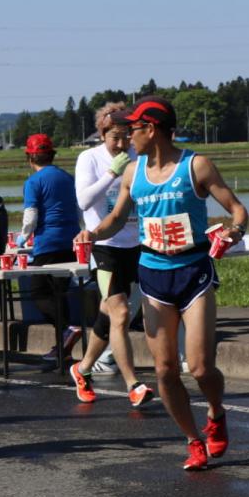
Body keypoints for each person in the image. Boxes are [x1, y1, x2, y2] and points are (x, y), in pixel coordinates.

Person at [79, 96, 247, 470]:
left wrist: (235, 231)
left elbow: (237, 210)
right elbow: (116, 219)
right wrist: (91, 235)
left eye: (132, 129)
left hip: (194, 272)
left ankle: (217, 414)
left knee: (201, 368)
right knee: (165, 370)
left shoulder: (196, 166)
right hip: (153, 276)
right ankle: (193, 441)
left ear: (150, 130)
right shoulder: (132, 173)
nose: (126, 137)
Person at [68, 104, 153, 407]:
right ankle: (134, 384)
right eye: (114, 137)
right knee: (120, 314)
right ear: (102, 133)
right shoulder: (89, 158)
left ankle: (83, 368)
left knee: (108, 315)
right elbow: (83, 199)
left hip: (136, 245)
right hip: (103, 246)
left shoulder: (137, 156)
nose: (121, 144)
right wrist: (111, 173)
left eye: (126, 137)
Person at [16, 133, 83, 364]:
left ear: (30, 157)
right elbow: (79, 208)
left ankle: (68, 328)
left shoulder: (34, 182)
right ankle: (62, 346)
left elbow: (31, 215)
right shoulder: (66, 177)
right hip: (70, 241)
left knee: (38, 293)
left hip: (48, 244)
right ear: (51, 154)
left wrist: (22, 239)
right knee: (59, 293)